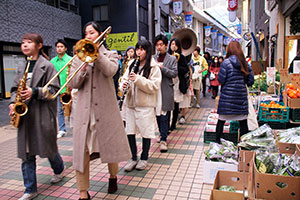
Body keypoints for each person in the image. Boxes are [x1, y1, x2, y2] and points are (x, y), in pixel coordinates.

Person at [68, 21, 131, 199]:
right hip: (84, 114)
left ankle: (113, 176)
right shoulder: (77, 57)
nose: (88, 36)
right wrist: (82, 65)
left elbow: (111, 70)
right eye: (86, 33)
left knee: (110, 149)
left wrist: (96, 55)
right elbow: (73, 84)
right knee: (82, 153)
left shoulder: (110, 54)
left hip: (105, 111)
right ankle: (82, 192)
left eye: (92, 33)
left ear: (100, 35)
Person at [9, 33, 65, 200]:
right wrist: (13, 103)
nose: (25, 45)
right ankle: (30, 188)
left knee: (48, 149)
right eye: (23, 42)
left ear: (39, 45)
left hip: (41, 115)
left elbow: (55, 91)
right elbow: (13, 89)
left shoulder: (47, 66)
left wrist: (35, 92)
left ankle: (59, 169)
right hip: (25, 117)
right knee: (26, 153)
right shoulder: (21, 67)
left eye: (29, 42)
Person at [121, 40, 161, 172]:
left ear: (147, 51)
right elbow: (124, 79)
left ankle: (144, 158)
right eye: (137, 49)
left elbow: (154, 86)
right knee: (129, 131)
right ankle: (133, 158)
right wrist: (123, 85)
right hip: (131, 103)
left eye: (142, 49)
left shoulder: (153, 67)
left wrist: (137, 79)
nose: (139, 52)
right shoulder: (132, 63)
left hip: (145, 105)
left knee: (146, 132)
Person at [216, 41, 254, 144]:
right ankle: (243, 146)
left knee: (221, 121)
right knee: (243, 123)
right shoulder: (245, 63)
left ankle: (217, 143)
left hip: (227, 99)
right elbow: (251, 81)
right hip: (241, 99)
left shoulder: (226, 63)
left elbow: (220, 80)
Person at [153, 34, 177, 152]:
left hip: (166, 89)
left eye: (161, 45)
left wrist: (162, 68)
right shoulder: (153, 58)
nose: (159, 47)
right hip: (154, 90)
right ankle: (162, 133)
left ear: (166, 45)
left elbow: (174, 74)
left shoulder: (172, 59)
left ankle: (163, 139)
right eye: (157, 45)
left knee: (165, 114)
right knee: (158, 114)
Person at [50, 39, 72, 138]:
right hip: (58, 90)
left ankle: (76, 126)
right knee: (59, 110)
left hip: (69, 89)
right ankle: (62, 129)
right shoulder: (52, 61)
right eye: (58, 47)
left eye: (61, 47)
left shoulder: (70, 59)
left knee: (72, 109)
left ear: (65, 48)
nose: (59, 48)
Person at [168, 38, 190, 130]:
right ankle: (167, 123)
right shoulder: (167, 56)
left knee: (176, 103)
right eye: (172, 44)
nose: (173, 46)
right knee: (168, 104)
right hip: (168, 82)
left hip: (177, 82)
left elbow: (185, 70)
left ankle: (173, 124)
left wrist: (177, 64)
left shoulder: (182, 57)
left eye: (175, 44)